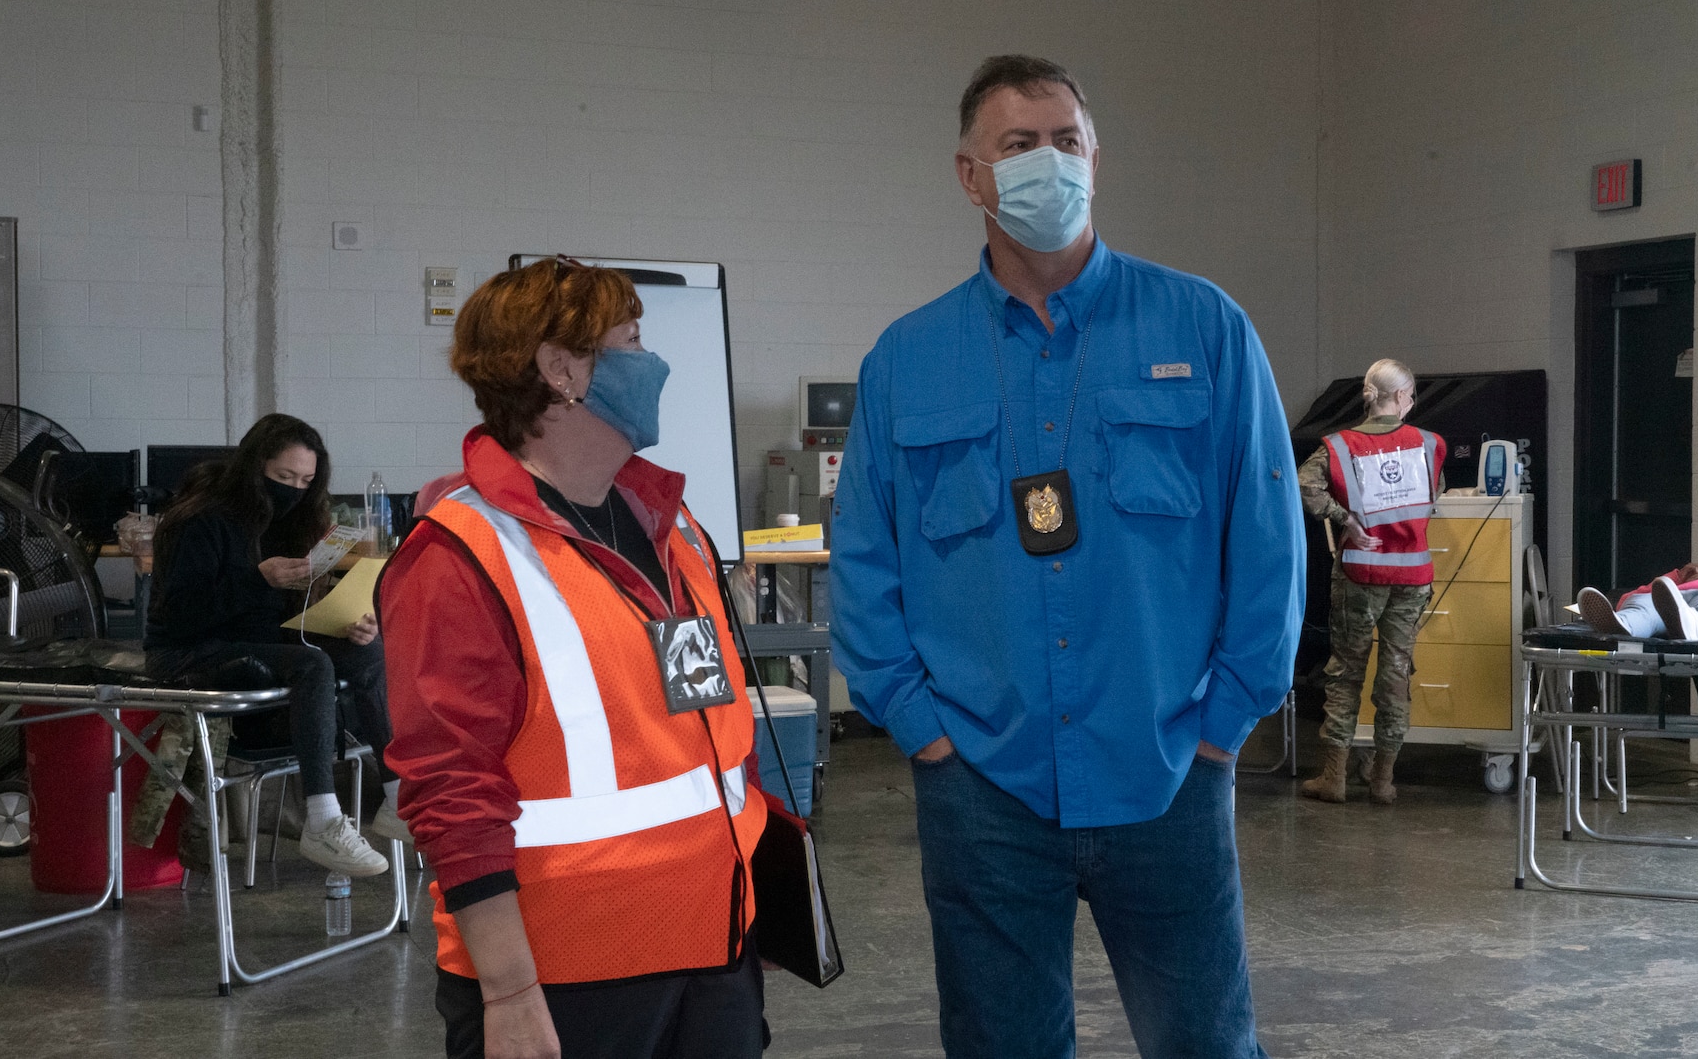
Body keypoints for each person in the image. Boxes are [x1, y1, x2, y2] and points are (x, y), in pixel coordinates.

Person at [831, 55, 1305, 1059]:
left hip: (1169, 765)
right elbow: (864, 562)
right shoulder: (906, 360)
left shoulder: (1204, 329)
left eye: (1067, 143)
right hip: (981, 784)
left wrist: (1224, 723)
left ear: (1095, 161)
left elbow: (1268, 543)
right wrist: (920, 731)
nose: (1050, 163)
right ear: (970, 176)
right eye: (1018, 145)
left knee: (1206, 1043)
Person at [380, 257, 771, 1059]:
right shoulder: (461, 553)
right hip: (568, 981)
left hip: (717, 947)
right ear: (562, 371)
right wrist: (511, 992)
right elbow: (452, 790)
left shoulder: (672, 524)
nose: (652, 363)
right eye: (631, 342)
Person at [145, 412, 401, 877]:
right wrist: (255, 579)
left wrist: (339, 624)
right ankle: (322, 819)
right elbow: (180, 613)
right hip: (188, 649)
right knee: (313, 666)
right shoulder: (200, 519)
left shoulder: (290, 521)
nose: (294, 490)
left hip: (257, 642)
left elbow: (280, 621)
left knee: (367, 650)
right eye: (284, 477)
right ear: (253, 466)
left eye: (305, 480)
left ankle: (398, 797)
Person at [1295, 358, 1445, 806]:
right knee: (1396, 673)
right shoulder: (1429, 443)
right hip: (1413, 575)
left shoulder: (1338, 447)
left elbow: (1304, 486)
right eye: (1412, 395)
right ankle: (1382, 780)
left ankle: (1334, 777)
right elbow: (1433, 495)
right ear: (1400, 397)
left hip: (1361, 572)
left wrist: (1345, 519)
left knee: (1345, 672)